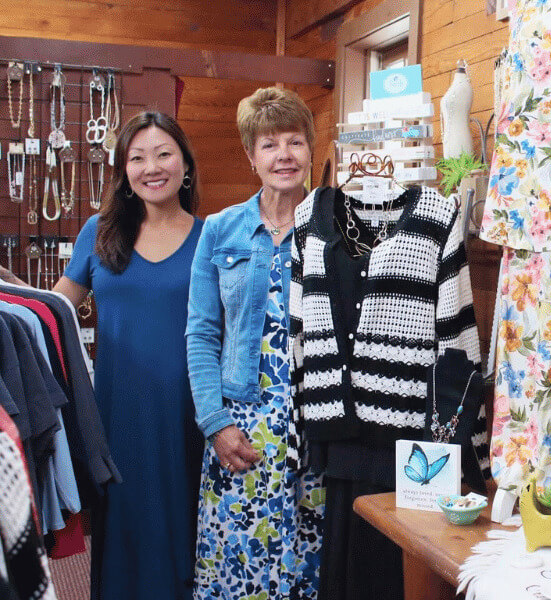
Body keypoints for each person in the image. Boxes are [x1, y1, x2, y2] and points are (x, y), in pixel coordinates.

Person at [11, 111, 204, 599]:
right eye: (137, 158)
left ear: (185, 166)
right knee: (123, 529)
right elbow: (55, 309)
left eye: (163, 154)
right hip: (116, 412)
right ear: (123, 170)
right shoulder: (99, 231)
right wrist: (11, 292)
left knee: (182, 526)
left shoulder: (210, 237)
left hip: (188, 412)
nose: (151, 167)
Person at [186, 86, 325, 599]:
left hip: (319, 421)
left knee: (311, 560)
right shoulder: (222, 230)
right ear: (251, 156)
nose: (284, 155)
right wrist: (214, 423)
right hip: (242, 425)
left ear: (311, 149)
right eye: (269, 144)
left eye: (295, 141)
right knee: (239, 562)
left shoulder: (336, 229)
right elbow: (201, 333)